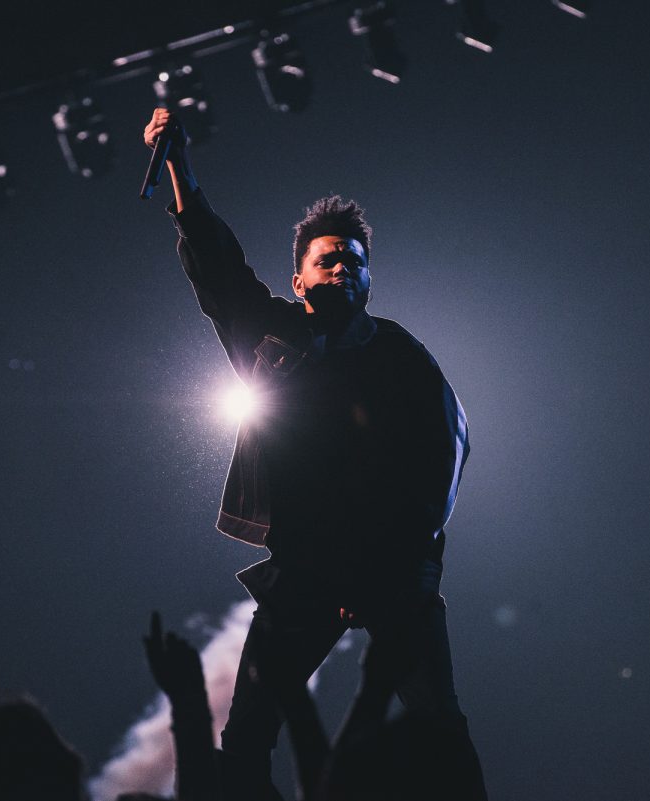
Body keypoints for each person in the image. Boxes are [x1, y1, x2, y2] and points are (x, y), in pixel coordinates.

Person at [143, 109, 485, 801]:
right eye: (327, 259)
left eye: (355, 262)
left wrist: (406, 564)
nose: (342, 268)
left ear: (369, 280)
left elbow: (446, 454)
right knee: (245, 738)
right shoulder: (270, 335)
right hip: (307, 571)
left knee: (438, 723)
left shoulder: (402, 358)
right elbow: (216, 262)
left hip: (393, 572)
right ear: (298, 279)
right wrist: (179, 165)